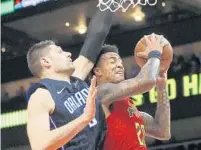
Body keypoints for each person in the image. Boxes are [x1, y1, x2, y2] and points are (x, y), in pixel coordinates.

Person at [26, 8, 114, 150]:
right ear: (46, 62)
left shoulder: (76, 76)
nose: (68, 53)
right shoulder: (41, 96)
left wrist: (109, 5)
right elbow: (39, 145)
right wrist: (84, 119)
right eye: (59, 51)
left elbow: (95, 38)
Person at [91, 34, 171, 150]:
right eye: (113, 62)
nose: (119, 65)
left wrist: (162, 86)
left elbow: (162, 131)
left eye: (120, 62)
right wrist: (154, 53)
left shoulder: (127, 105)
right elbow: (146, 81)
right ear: (97, 71)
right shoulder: (100, 93)